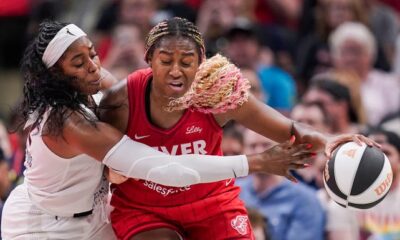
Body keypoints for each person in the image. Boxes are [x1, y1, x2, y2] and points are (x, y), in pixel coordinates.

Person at [1, 20, 315, 240]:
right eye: (78, 63)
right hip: (41, 225)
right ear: (55, 75)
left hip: (94, 217)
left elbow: (140, 86)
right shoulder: (67, 122)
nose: (93, 66)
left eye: (93, 54)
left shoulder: (97, 85)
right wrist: (257, 162)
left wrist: (327, 142)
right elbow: (166, 169)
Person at [99, 17, 377, 240]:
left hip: (211, 203)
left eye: (186, 62)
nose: (175, 71)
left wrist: (327, 140)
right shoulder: (121, 100)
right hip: (146, 210)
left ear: (201, 61)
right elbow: (105, 167)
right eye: (165, 61)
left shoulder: (217, 91)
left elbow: (288, 127)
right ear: (148, 58)